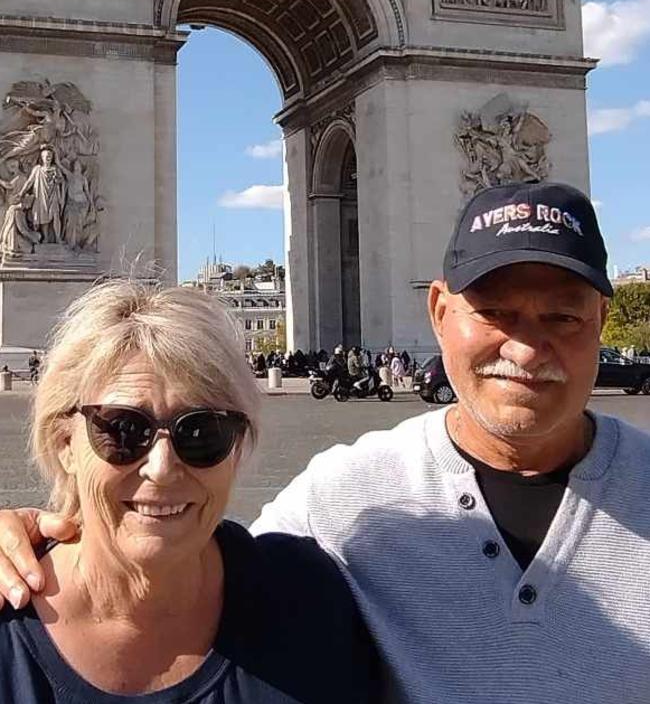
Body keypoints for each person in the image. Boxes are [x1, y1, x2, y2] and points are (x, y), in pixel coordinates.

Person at [5, 184, 650, 701]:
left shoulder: (299, 580)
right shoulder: (341, 497)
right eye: (495, 312)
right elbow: (173, 543)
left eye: (562, 315)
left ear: (600, 321)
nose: (527, 346)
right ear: (439, 312)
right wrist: (33, 534)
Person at [0, 280, 378, 702]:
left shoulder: (309, 600)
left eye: (203, 432)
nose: (161, 468)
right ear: (64, 443)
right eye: (123, 429)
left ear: (237, 447)